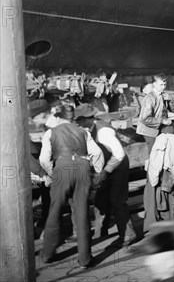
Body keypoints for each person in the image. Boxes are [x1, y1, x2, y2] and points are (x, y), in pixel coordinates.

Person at [39, 105, 105, 267]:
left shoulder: (51, 133)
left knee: (55, 211)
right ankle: (85, 258)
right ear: (72, 118)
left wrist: (52, 173)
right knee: (82, 213)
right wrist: (96, 170)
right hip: (83, 169)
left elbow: (43, 159)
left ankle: (48, 253)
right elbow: (97, 153)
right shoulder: (84, 132)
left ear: (58, 117)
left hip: (62, 169)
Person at [75, 104, 138, 248]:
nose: (76, 123)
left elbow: (119, 154)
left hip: (118, 165)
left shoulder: (103, 131)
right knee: (100, 199)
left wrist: (105, 171)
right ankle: (99, 233)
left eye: (78, 120)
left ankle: (128, 235)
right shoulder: (88, 129)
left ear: (86, 119)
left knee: (117, 200)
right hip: (105, 166)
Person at [136, 74, 171, 152]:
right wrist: (162, 120)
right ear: (154, 84)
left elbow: (173, 110)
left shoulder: (163, 96)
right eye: (161, 85)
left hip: (157, 128)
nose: (163, 87)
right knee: (153, 154)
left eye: (165, 84)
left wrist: (171, 100)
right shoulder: (150, 98)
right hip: (148, 130)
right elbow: (145, 119)